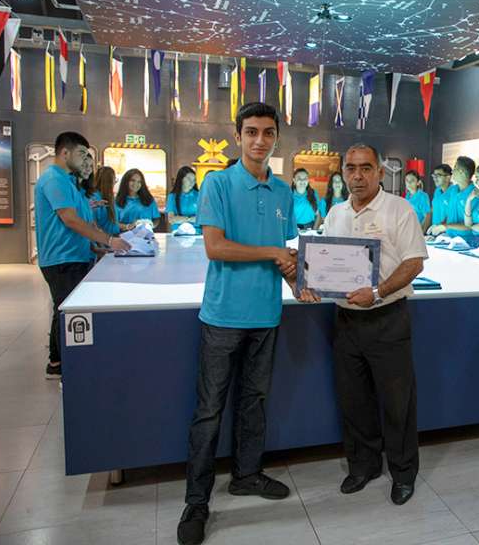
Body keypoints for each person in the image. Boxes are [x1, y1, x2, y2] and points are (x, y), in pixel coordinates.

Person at [177, 103, 301, 545]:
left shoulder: (283, 192)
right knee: (209, 411)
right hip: (224, 316)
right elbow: (216, 247)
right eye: (251, 132)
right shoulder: (218, 183)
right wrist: (273, 253)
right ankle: (196, 502)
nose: (259, 140)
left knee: (254, 403)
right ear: (238, 136)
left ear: (276, 138)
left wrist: (298, 279)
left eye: (267, 132)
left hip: (266, 315)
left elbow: (282, 251)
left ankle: (247, 475)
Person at [315, 143, 429, 506]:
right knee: (354, 400)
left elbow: (414, 263)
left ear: (380, 172)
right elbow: (325, 261)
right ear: (343, 173)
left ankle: (403, 473)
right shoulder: (335, 213)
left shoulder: (399, 209)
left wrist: (378, 292)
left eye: (366, 168)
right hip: (346, 320)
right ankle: (363, 466)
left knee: (398, 403)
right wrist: (310, 281)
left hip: (386, 318)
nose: (358, 176)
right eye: (351, 168)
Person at [35, 132, 129, 381]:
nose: (85, 160)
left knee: (64, 309)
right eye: (81, 154)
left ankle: (59, 362)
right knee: (68, 313)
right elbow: (71, 220)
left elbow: (80, 216)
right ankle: (64, 367)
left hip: (76, 255)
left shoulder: (69, 182)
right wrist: (109, 240)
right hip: (62, 259)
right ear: (65, 153)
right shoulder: (54, 179)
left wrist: (94, 248)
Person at [433, 161, 479, 248]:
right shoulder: (457, 190)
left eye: (478, 178)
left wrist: (448, 226)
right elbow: (468, 222)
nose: (476, 182)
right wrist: (468, 201)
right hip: (469, 240)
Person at [427, 156, 475, 235]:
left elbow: (471, 225)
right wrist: (439, 225)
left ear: (462, 172)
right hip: (449, 237)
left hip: (465, 239)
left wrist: (446, 226)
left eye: (455, 168)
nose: (452, 171)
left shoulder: (474, 194)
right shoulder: (453, 190)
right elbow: (449, 214)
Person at [167, 166, 200, 232]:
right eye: (189, 179)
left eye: (194, 180)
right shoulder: (172, 196)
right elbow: (171, 219)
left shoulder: (199, 195)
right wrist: (190, 219)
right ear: (181, 179)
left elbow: (203, 218)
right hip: (178, 233)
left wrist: (180, 219)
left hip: (197, 232)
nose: (192, 182)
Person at [91, 166, 120, 237]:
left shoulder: (109, 196)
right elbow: (94, 227)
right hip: (105, 240)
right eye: (114, 180)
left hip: (113, 237)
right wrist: (109, 240)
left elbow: (113, 223)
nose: (115, 183)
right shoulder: (95, 199)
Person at [428, 164, 453, 234]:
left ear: (448, 177)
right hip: (435, 232)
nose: (435, 178)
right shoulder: (437, 191)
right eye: (434, 176)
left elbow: (452, 214)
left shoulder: (454, 192)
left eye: (438, 176)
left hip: (447, 232)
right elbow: (433, 209)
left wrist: (440, 226)